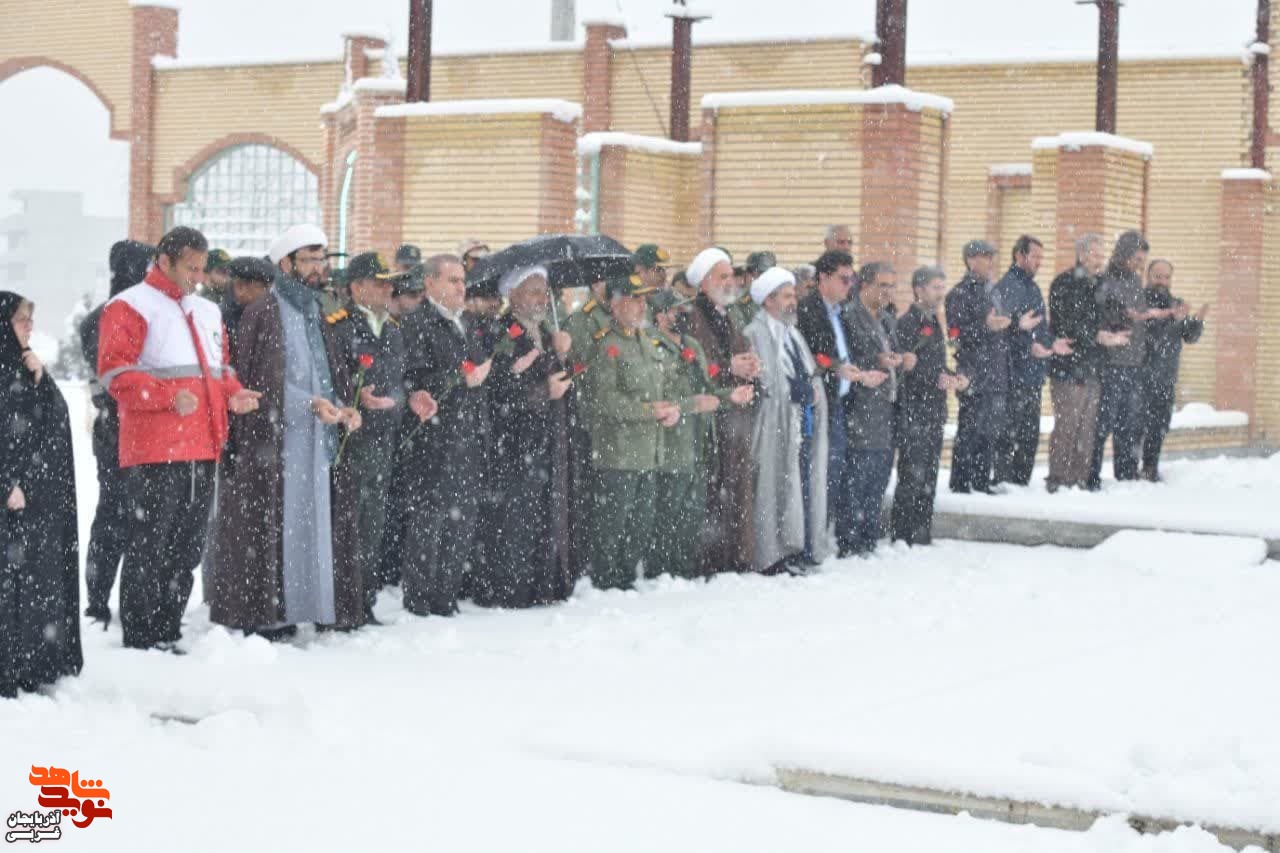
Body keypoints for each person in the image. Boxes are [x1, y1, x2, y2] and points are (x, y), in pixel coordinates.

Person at [97, 226, 261, 651]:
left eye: (203, 268)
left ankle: (168, 628)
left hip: (203, 446)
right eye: (191, 268)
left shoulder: (207, 311)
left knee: (185, 549)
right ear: (164, 261)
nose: (199, 277)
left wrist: (234, 394)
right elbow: (114, 373)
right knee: (148, 544)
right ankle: (140, 636)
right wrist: (168, 397)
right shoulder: (129, 306)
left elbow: (221, 370)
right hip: (154, 449)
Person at [210, 224, 364, 638]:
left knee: (318, 524)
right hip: (280, 442)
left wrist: (346, 405)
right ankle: (273, 613)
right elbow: (262, 380)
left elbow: (330, 372)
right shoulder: (265, 311)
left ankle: (318, 605)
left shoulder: (318, 309)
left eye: (322, 259)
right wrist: (307, 403)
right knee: (281, 526)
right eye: (311, 259)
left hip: (321, 437)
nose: (319, 268)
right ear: (286, 263)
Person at [330, 252, 436, 623]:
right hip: (350, 441)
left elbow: (400, 377)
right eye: (379, 282)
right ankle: (341, 606)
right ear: (357, 287)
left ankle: (364, 602)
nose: (388, 288)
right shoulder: (338, 327)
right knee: (346, 526)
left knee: (373, 526)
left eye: (389, 283)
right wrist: (354, 399)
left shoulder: (391, 328)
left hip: (384, 440)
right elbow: (329, 381)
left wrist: (412, 396)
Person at [399, 253, 493, 616]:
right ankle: (420, 599)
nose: (460, 287)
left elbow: (481, 371)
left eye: (462, 280)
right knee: (429, 522)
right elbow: (413, 377)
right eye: (452, 280)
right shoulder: (417, 323)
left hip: (469, 437)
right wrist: (456, 379)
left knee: (461, 522)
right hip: (434, 441)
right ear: (430, 284)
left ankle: (446, 596)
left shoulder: (467, 322)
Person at [1, 293, 82, 697]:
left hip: (33, 503)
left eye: (30, 319)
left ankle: (31, 663)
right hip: (9, 500)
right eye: (20, 320)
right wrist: (7, 483)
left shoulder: (26, 369)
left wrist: (42, 376)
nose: (28, 327)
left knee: (34, 586)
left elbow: (54, 425)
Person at [484, 265, 578, 606]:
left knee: (543, 514)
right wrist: (541, 392)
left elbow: (562, 380)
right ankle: (513, 589)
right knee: (515, 518)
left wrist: (562, 355)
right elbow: (497, 388)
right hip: (513, 440)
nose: (542, 298)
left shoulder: (546, 331)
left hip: (545, 439)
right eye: (534, 291)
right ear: (513, 295)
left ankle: (543, 583)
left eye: (544, 291)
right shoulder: (502, 332)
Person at [647, 290, 754, 579]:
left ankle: (686, 569)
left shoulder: (692, 344)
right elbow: (658, 397)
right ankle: (661, 574)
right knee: (668, 513)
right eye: (675, 311)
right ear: (659, 316)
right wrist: (691, 405)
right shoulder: (650, 346)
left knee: (692, 513)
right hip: (671, 444)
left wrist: (730, 394)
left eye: (684, 310)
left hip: (699, 442)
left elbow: (706, 388)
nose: (683, 316)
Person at [582, 273, 678, 589]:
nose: (641, 306)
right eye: (634, 299)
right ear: (615, 303)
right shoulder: (607, 345)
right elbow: (605, 399)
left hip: (648, 450)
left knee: (641, 522)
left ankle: (624, 575)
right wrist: (648, 412)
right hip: (618, 452)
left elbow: (660, 385)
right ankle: (605, 581)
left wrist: (669, 408)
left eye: (643, 300)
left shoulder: (644, 341)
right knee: (613, 523)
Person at [79, 239, 154, 626]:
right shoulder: (120, 315)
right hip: (123, 427)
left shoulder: (104, 315)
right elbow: (117, 380)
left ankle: (104, 600)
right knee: (122, 517)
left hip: (120, 428)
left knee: (118, 517)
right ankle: (102, 601)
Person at [743, 267, 830, 571]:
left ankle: (799, 547)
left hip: (800, 423)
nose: (794, 301)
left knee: (802, 486)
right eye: (787, 296)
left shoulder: (792, 333)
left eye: (794, 295)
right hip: (775, 425)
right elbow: (767, 382)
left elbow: (807, 373)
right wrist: (798, 391)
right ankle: (772, 553)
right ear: (768, 300)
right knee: (774, 488)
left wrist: (813, 390)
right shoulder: (755, 333)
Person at [685, 247, 762, 575]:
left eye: (732, 276)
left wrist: (751, 366)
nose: (731, 282)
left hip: (736, 416)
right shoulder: (690, 316)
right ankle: (712, 560)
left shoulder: (730, 315)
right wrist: (727, 367)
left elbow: (740, 353)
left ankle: (737, 555)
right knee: (714, 490)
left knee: (738, 488)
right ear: (704, 282)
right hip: (709, 419)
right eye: (723, 276)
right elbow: (693, 369)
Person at [891, 266, 968, 545]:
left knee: (930, 473)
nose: (940, 293)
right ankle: (904, 533)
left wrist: (951, 375)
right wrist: (935, 378)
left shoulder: (935, 322)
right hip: (915, 408)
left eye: (941, 287)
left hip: (934, 409)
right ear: (919, 289)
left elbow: (932, 362)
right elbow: (907, 366)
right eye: (935, 287)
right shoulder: (908, 322)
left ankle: (922, 530)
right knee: (913, 473)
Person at [797, 250, 866, 554]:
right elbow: (810, 356)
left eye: (852, 279)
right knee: (816, 476)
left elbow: (845, 353)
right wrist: (836, 368)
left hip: (839, 406)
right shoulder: (807, 311)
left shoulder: (841, 312)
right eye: (843, 278)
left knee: (833, 475)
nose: (849, 285)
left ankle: (821, 537)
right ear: (823, 278)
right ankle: (809, 542)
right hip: (815, 407)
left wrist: (864, 370)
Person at [1046, 234, 1126, 492]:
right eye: (1095, 254)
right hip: (1069, 367)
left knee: (1087, 429)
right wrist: (1096, 335)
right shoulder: (1064, 283)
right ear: (1081, 255)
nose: (1099, 260)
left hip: (1094, 367)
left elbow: (1112, 314)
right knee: (1067, 425)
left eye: (1102, 255)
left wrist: (1119, 329)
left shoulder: (1103, 284)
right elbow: (1065, 322)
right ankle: (1059, 479)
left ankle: (1080, 479)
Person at [992, 235, 1066, 487]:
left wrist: (1050, 343)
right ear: (1019, 256)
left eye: (1041, 258)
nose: (1039, 263)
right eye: (1035, 257)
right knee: (1012, 435)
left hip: (1031, 374)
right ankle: (1007, 483)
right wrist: (1027, 347)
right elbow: (1001, 332)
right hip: (1014, 375)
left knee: (1028, 435)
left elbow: (1037, 327)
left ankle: (1019, 482)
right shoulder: (1010, 286)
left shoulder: (1031, 287)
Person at [843, 262, 901, 555]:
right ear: (864, 286)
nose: (888, 291)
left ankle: (868, 536)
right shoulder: (851, 316)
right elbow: (849, 358)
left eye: (892, 285)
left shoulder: (888, 319)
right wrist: (875, 361)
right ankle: (851, 540)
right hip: (861, 412)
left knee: (879, 476)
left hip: (886, 412)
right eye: (883, 285)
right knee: (858, 478)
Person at [1089, 230, 1152, 488]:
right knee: (1103, 422)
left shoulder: (1136, 282)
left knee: (1129, 422)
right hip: (1111, 362)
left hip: (1134, 362)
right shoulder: (1104, 281)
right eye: (1137, 259)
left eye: (1142, 260)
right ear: (1124, 253)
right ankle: (1090, 473)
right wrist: (1123, 317)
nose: (1140, 265)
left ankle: (1126, 473)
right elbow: (1099, 317)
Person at [946, 239, 1009, 494]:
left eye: (992, 256)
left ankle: (982, 480)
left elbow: (999, 329)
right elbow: (955, 336)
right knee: (970, 429)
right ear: (971, 260)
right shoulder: (959, 294)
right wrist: (986, 327)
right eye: (985, 256)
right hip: (972, 371)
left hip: (995, 370)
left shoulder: (993, 290)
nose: (991, 262)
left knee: (989, 432)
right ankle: (961, 483)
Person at [1140, 259, 1208, 481]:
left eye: (1166, 277)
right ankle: (1130, 470)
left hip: (1166, 377)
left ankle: (1151, 467)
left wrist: (1196, 321)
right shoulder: (1140, 301)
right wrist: (1171, 318)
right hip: (1141, 376)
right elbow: (1149, 333)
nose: (1162, 281)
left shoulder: (1177, 304)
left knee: (1160, 425)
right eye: (1158, 276)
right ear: (1148, 276)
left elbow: (1190, 337)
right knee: (1136, 426)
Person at [222, 255, 276, 361]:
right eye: (263, 287)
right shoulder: (219, 320)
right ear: (240, 287)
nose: (269, 293)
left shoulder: (266, 314)